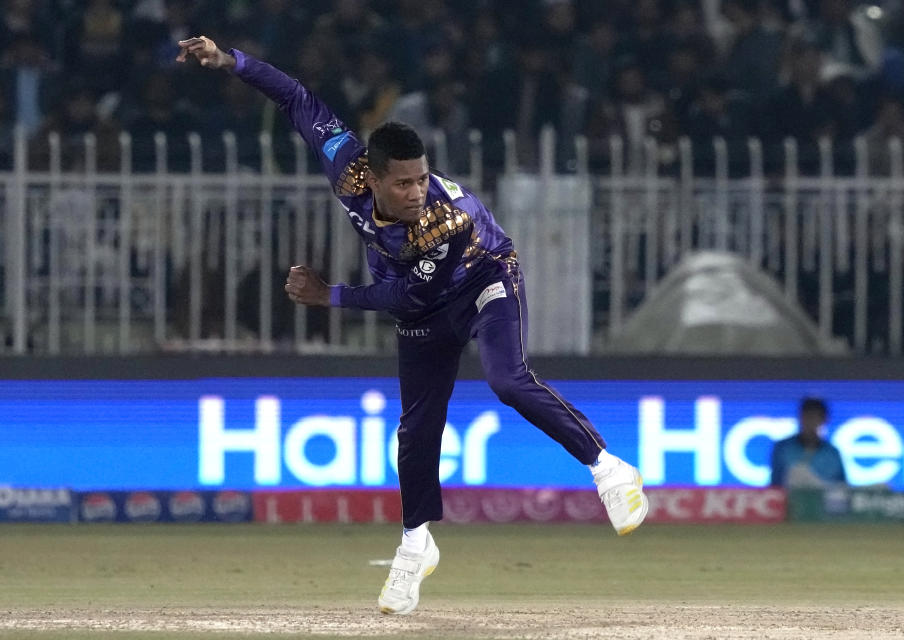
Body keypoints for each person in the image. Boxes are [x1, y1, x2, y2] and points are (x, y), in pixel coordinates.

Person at [176, 35, 649, 616]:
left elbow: (408, 292)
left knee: (506, 379)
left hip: (483, 279)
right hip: (422, 306)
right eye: (403, 183)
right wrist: (232, 62)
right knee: (417, 431)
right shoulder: (346, 164)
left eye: (422, 179)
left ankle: (607, 467)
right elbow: (296, 98)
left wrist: (331, 297)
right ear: (370, 178)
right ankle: (415, 543)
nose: (417, 192)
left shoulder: (442, 220)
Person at [770, 397, 847, 488]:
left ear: (824, 419)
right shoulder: (782, 448)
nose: (810, 422)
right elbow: (775, 487)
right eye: (807, 416)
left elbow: (843, 488)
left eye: (815, 417)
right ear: (800, 417)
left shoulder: (833, 454)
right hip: (791, 500)